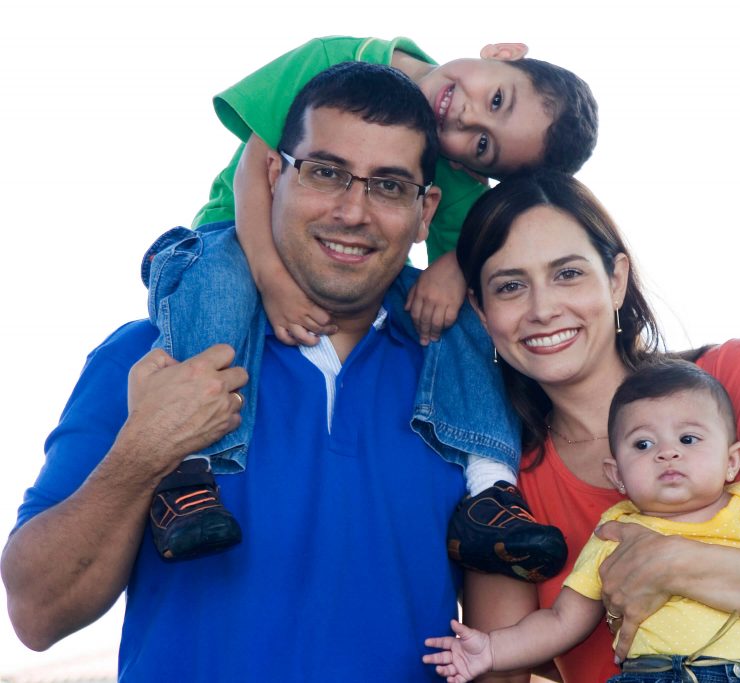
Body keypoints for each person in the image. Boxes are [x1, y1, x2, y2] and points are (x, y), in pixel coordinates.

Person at [2, 62, 511, 681]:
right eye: (325, 172)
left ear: (426, 210)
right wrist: (146, 449)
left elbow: (502, 650)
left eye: (389, 185)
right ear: (273, 175)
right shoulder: (153, 355)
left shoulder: (466, 381)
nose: (353, 211)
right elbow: (38, 614)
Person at [146, 36, 597, 566]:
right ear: (503, 52)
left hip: (350, 277)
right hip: (232, 234)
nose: (468, 117)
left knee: (461, 315)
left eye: (481, 146)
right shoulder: (333, 58)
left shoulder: (451, 173)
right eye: (496, 99)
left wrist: (454, 267)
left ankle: (490, 487)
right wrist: (272, 280)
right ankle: (187, 473)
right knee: (218, 278)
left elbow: (490, 246)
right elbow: (256, 170)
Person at [452, 170, 740, 683]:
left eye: (568, 273)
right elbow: (501, 667)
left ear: (616, 280)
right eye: (510, 286)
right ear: (482, 311)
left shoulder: (737, 378)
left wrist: (673, 564)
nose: (543, 309)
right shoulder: (504, 484)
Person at [424, 360, 740, 683]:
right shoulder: (615, 531)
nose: (667, 453)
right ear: (617, 474)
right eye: (643, 444)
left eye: (689, 439)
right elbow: (563, 622)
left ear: (732, 460)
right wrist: (491, 649)